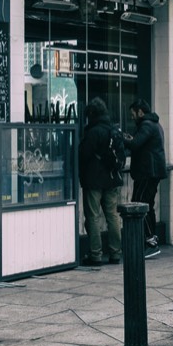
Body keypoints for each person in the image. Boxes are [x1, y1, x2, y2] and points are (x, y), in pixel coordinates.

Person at [78, 97, 124, 266]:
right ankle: (115, 254)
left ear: (91, 114)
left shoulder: (93, 132)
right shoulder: (113, 130)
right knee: (112, 216)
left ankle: (95, 255)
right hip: (111, 180)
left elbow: (83, 155)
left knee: (93, 217)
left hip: (94, 180)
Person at [122, 99, 165, 258]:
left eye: (133, 113)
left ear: (141, 112)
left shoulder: (147, 125)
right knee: (148, 205)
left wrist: (121, 137)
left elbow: (135, 144)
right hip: (152, 172)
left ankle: (150, 243)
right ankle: (151, 238)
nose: (132, 117)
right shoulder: (155, 124)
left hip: (147, 173)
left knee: (140, 205)